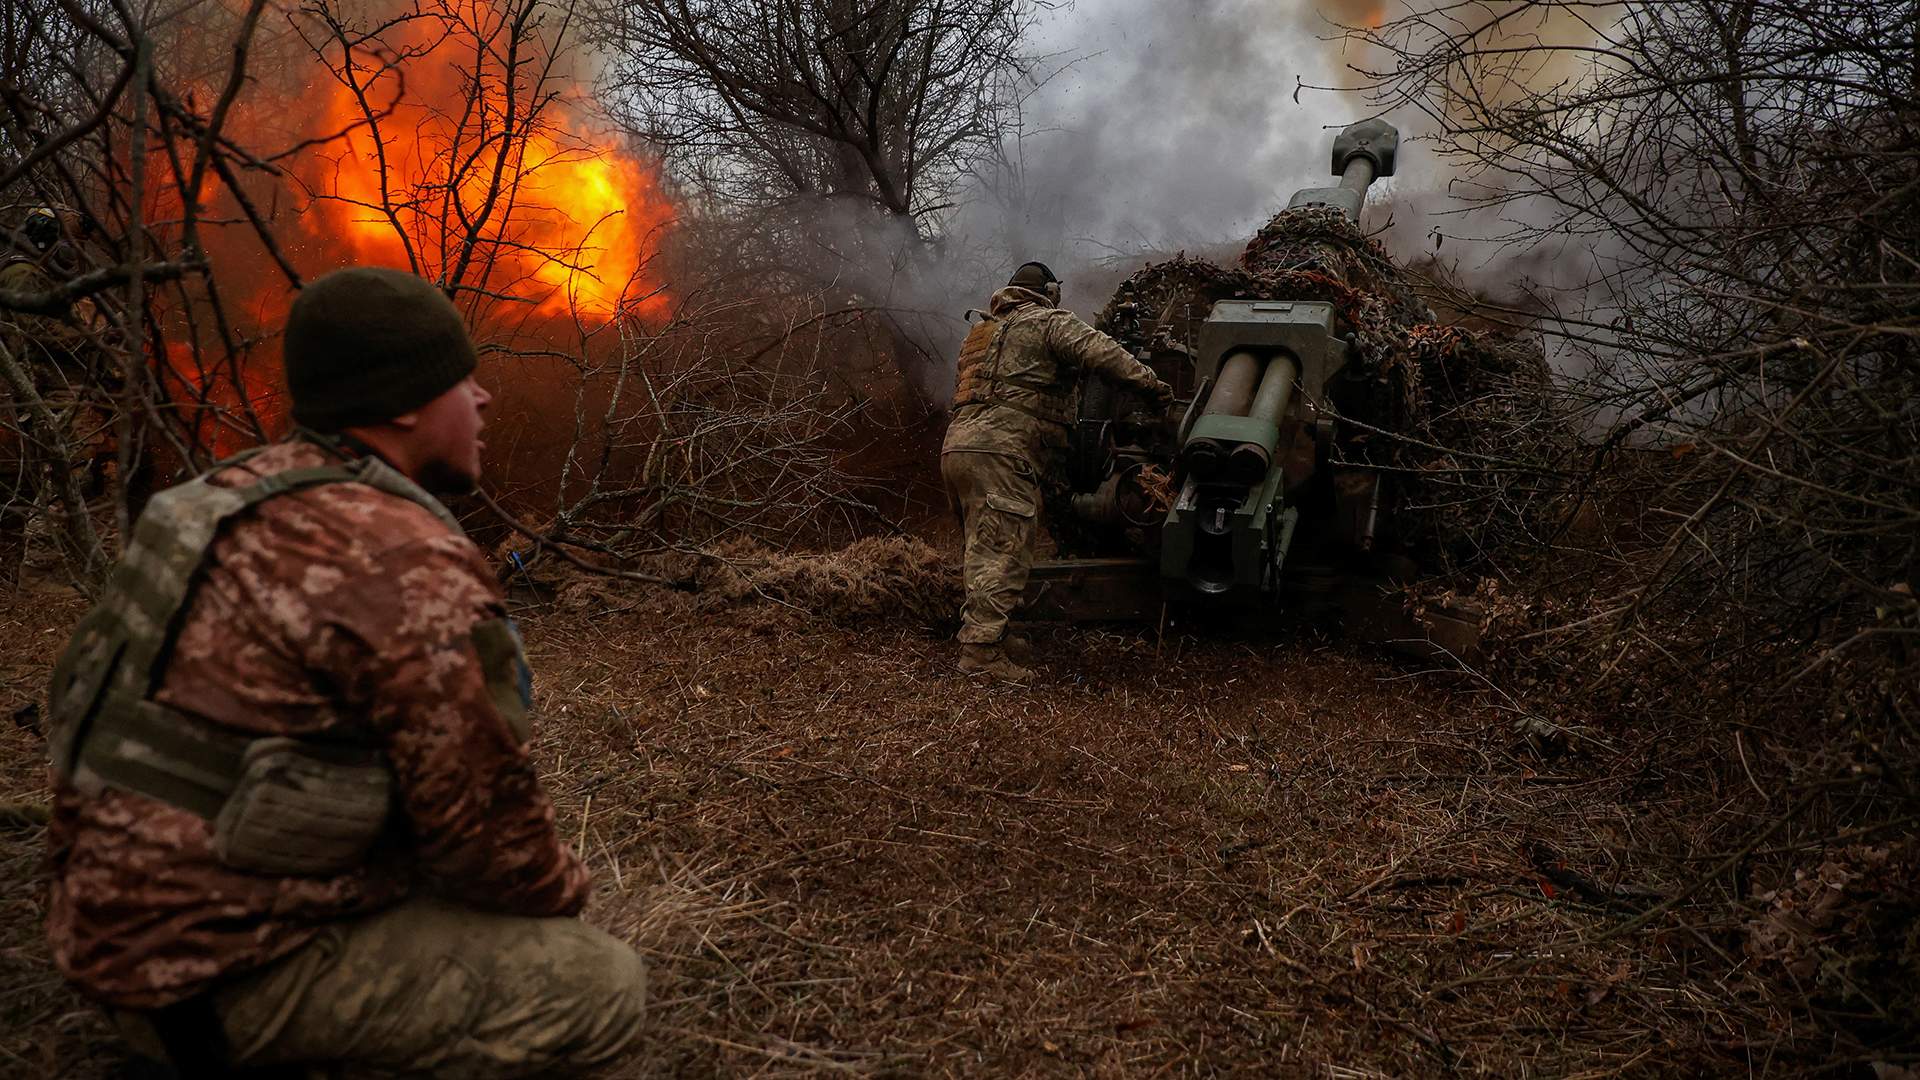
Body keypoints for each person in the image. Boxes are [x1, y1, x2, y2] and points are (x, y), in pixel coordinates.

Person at [44, 266, 647, 1077]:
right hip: (219, 986)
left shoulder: (217, 497)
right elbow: (493, 844)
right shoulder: (400, 557)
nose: (484, 398)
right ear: (402, 403)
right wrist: (567, 905)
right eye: (459, 379)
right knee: (597, 983)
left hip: (105, 938)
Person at [941, 261, 1173, 682]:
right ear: (1048, 292)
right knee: (1003, 551)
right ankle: (980, 655)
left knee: (983, 547)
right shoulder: (1048, 322)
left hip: (958, 447)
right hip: (1004, 448)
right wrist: (1152, 384)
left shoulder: (981, 333)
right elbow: (1101, 353)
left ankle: (993, 634)